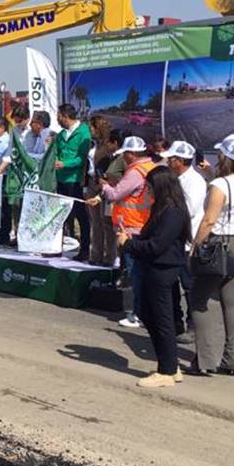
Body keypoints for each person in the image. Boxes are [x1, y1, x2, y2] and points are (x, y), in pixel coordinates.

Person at [188, 134, 234, 377]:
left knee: (197, 299)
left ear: (223, 157)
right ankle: (232, 359)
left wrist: (195, 246)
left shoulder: (220, 185)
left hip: (224, 245)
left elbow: (209, 220)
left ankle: (204, 360)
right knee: (231, 303)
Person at [118, 166, 191, 388]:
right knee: (150, 315)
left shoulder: (173, 211)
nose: (147, 191)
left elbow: (157, 245)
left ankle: (167, 370)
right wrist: (134, 238)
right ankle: (169, 364)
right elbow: (153, 238)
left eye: (150, 187)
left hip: (163, 270)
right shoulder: (162, 208)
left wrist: (129, 244)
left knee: (162, 320)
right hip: (154, 268)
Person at [89, 136, 154, 328]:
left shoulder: (135, 172)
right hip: (144, 225)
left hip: (132, 228)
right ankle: (143, 310)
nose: (124, 157)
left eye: (125, 154)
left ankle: (138, 313)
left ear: (132, 154)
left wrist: (104, 187)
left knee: (135, 273)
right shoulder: (150, 167)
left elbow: (116, 194)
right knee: (142, 272)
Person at [159, 140, 207, 343]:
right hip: (174, 240)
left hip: (188, 242)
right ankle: (175, 322)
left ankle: (193, 325)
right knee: (170, 283)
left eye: (172, 159)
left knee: (189, 286)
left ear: (181, 160)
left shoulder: (194, 181)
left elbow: (188, 211)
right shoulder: (176, 179)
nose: (168, 162)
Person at [54, 104, 92, 261]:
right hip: (60, 179)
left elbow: (83, 158)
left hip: (75, 180)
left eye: (59, 116)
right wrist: (55, 160)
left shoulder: (83, 133)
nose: (57, 119)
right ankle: (55, 247)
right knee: (60, 215)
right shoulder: (61, 134)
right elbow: (56, 151)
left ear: (65, 116)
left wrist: (66, 164)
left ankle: (84, 250)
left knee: (80, 215)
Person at [87, 121, 119, 266]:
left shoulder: (107, 147)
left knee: (106, 222)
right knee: (95, 221)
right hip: (92, 183)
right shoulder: (93, 144)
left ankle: (109, 255)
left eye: (92, 127)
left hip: (105, 184)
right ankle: (96, 254)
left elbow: (110, 168)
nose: (90, 130)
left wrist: (104, 183)